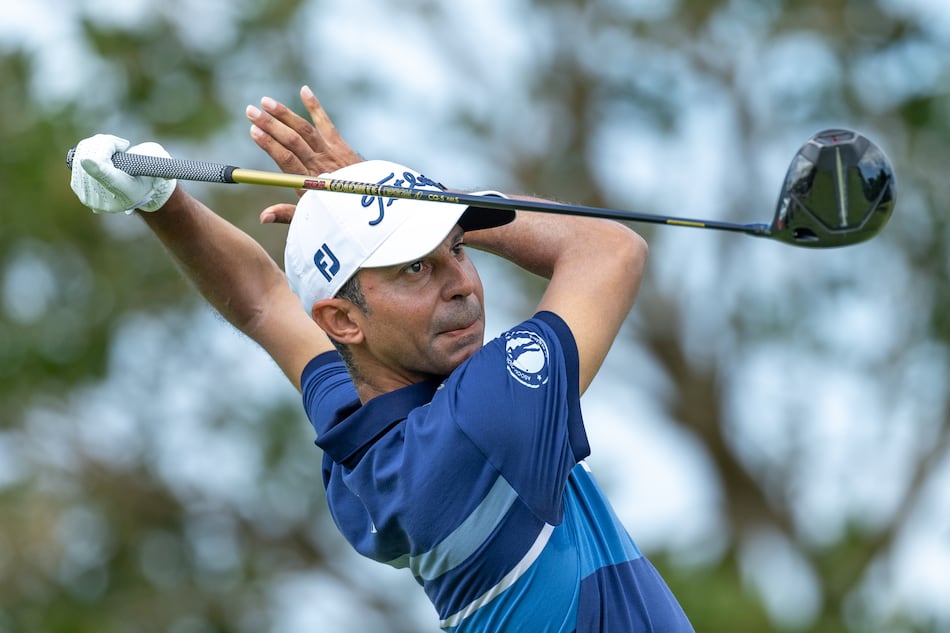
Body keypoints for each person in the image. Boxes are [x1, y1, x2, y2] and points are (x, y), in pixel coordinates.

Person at [68, 85, 694, 632]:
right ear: (343, 319)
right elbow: (610, 250)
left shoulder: (361, 442)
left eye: (458, 249)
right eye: (417, 267)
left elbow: (263, 304)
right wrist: (404, 190)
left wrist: (160, 200)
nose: (463, 284)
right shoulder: (482, 417)